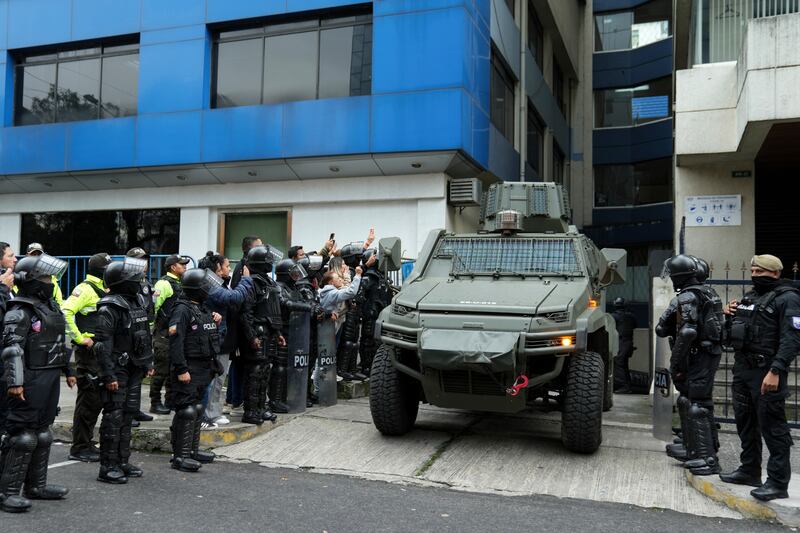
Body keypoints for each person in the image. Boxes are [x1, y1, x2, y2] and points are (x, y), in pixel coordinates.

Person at [719, 254, 800, 501]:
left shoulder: (789, 299)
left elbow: (792, 339)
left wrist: (776, 371)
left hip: (767, 371)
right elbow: (738, 331)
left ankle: (777, 483)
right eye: (753, 270)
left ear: (775, 273)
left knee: (773, 428)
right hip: (743, 369)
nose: (755, 275)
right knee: (745, 423)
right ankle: (749, 470)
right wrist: (728, 315)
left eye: (760, 271)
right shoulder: (751, 297)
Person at [0, 254, 73, 513]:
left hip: (50, 376)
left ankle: (36, 486)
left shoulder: (50, 308)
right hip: (29, 379)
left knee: (43, 433)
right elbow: (12, 350)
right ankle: (6, 492)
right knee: (22, 436)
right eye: (44, 278)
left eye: (50, 277)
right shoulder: (20, 311)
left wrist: (69, 369)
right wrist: (15, 382)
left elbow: (63, 341)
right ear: (30, 280)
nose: (49, 282)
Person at [656, 254, 724, 476]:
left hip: (697, 356)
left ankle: (707, 459)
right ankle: (694, 449)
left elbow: (686, 331)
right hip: (705, 355)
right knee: (691, 401)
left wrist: (675, 363)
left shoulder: (688, 296)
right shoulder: (707, 293)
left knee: (697, 405)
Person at [93, 258, 155, 484]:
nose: (139, 282)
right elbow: (102, 346)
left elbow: (145, 335)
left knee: (128, 415)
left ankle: (122, 460)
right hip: (117, 370)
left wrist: (148, 363)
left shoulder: (136, 302)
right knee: (114, 416)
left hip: (135, 368)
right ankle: (107, 466)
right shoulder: (109, 307)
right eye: (134, 279)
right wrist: (108, 375)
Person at [167, 268, 223, 472]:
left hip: (204, 367)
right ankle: (180, 456)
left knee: (198, 409)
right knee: (186, 410)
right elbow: (176, 342)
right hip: (188, 367)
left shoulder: (202, 308)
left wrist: (215, 319)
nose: (208, 290)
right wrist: (181, 369)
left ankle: (192, 450)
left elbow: (205, 333)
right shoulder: (181, 310)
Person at [62, 253, 111, 463]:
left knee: (96, 401)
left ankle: (87, 442)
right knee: (88, 400)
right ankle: (80, 447)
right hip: (88, 353)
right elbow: (66, 311)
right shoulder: (85, 289)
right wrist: (80, 338)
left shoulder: (102, 289)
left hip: (100, 353)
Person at [198, 251, 253, 426]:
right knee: (213, 379)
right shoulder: (211, 286)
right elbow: (234, 298)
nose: (229, 269)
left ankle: (213, 412)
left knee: (219, 378)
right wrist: (245, 280)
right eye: (227, 266)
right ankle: (208, 415)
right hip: (214, 340)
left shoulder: (219, 284)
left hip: (222, 338)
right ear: (217, 268)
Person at [239, 246, 286, 424]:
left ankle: (261, 407)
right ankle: (250, 411)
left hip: (269, 332)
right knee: (255, 373)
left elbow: (272, 310)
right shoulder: (251, 283)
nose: (270, 263)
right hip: (258, 332)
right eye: (267, 260)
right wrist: (252, 337)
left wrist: (277, 332)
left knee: (265, 371)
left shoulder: (267, 282)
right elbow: (246, 313)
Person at [150, 255, 190, 414]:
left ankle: (170, 400)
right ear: (173, 267)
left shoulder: (180, 284)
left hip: (175, 334)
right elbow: (154, 308)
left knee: (173, 369)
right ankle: (155, 402)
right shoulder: (164, 283)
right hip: (163, 334)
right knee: (161, 370)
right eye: (182, 265)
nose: (185, 267)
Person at [227, 236, 262, 414]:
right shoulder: (244, 268)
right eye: (259, 247)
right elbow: (240, 297)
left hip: (245, 323)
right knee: (239, 363)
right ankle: (236, 400)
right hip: (241, 324)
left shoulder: (250, 267)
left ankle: (233, 397)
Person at [125, 247, 156, 426]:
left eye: (144, 260)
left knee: (138, 374)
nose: (143, 264)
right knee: (129, 374)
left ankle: (134, 410)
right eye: (139, 260)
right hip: (131, 333)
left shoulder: (145, 282)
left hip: (144, 331)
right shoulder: (125, 281)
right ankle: (127, 413)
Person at [320, 267, 363, 380]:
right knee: (325, 355)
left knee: (327, 353)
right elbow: (351, 292)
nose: (340, 279)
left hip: (330, 326)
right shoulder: (332, 293)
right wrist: (357, 275)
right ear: (331, 282)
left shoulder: (326, 291)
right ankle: (322, 382)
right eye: (337, 278)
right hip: (328, 327)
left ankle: (325, 378)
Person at [356, 249, 385, 377]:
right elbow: (360, 294)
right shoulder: (369, 276)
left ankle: (373, 365)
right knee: (368, 339)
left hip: (379, 312)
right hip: (371, 312)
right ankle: (366, 366)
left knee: (376, 341)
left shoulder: (379, 275)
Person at [0, 242, 16, 438]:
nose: (15, 259)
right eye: (11, 255)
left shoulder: (10, 284)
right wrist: (3, 289)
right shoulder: (4, 286)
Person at [611, 297, 637, 393]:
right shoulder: (631, 316)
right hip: (628, 342)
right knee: (623, 364)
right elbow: (635, 325)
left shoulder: (613, 316)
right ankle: (627, 386)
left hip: (620, 342)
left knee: (618, 363)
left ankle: (623, 386)